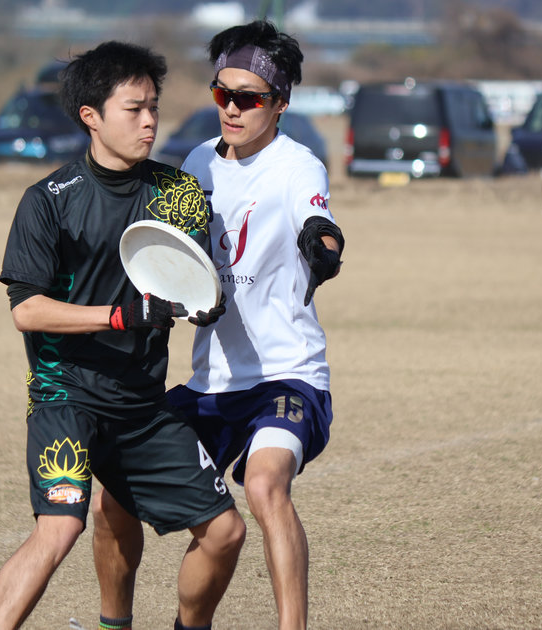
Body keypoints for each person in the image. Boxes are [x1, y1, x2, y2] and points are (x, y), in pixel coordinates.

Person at [0, 41, 245, 630]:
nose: (150, 121)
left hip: (142, 408)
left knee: (226, 532)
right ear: (91, 116)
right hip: (66, 396)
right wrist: (119, 316)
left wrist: (204, 305)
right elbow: (28, 311)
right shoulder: (48, 202)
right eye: (134, 109)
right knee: (59, 529)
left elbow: (193, 281)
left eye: (154, 107)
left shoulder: (178, 194)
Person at [92, 20, 344, 630]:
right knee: (112, 497)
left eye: (248, 98)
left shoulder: (298, 167)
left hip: (287, 377)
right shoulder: (199, 161)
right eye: (221, 93)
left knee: (263, 486)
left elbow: (320, 224)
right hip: (211, 382)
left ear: (280, 104)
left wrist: (323, 246)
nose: (231, 108)